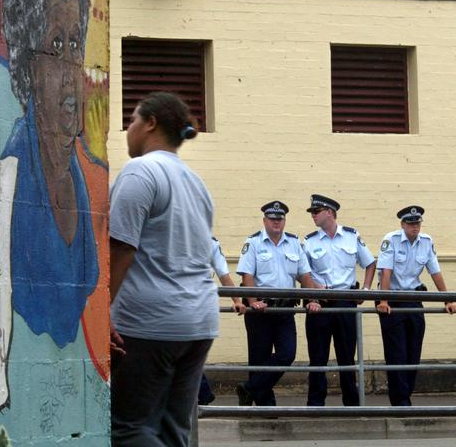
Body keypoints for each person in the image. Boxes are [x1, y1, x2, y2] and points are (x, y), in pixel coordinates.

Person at [109, 92, 218, 446]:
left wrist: (101, 312)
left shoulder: (141, 171)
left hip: (149, 323)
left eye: (132, 121)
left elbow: (121, 247)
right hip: (199, 322)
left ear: (151, 123)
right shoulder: (195, 182)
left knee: (128, 429)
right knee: (173, 430)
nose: (128, 129)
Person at [1, 0, 98, 347]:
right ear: (28, 70)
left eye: (76, 44)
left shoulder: (79, 174)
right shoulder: (14, 176)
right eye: (55, 46)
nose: (71, 66)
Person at [235, 201, 321, 407]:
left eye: (280, 219)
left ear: (284, 221)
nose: (276, 222)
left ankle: (249, 389)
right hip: (261, 310)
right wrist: (253, 302)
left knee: (287, 354)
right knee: (259, 358)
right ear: (265, 220)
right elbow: (247, 275)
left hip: (284, 310)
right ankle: (265, 406)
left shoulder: (293, 243)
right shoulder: (253, 243)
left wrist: (314, 299)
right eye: (272, 219)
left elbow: (304, 275)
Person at [376, 205, 456, 406]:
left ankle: (406, 395)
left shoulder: (426, 242)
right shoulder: (391, 240)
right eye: (410, 223)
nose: (415, 227)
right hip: (392, 297)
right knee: (397, 352)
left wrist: (447, 299)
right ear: (402, 224)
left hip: (413, 297)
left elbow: (435, 272)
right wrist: (384, 300)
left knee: (413, 351)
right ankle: (400, 401)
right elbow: (386, 272)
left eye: (417, 223)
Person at [303, 194, 376, 406]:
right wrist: (312, 295)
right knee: (318, 357)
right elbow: (303, 273)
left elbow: (370, 263)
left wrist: (365, 290)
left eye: (316, 212)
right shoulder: (309, 241)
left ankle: (352, 403)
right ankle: (315, 404)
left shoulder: (352, 236)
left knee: (347, 356)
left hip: (345, 301)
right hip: (319, 303)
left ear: (330, 213)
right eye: (312, 213)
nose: (313, 216)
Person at [199, 237, 245, 405]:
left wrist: (237, 301)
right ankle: (202, 394)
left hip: (197, 306)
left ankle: (202, 395)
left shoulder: (210, 243)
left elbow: (223, 275)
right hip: (176, 305)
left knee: (189, 352)